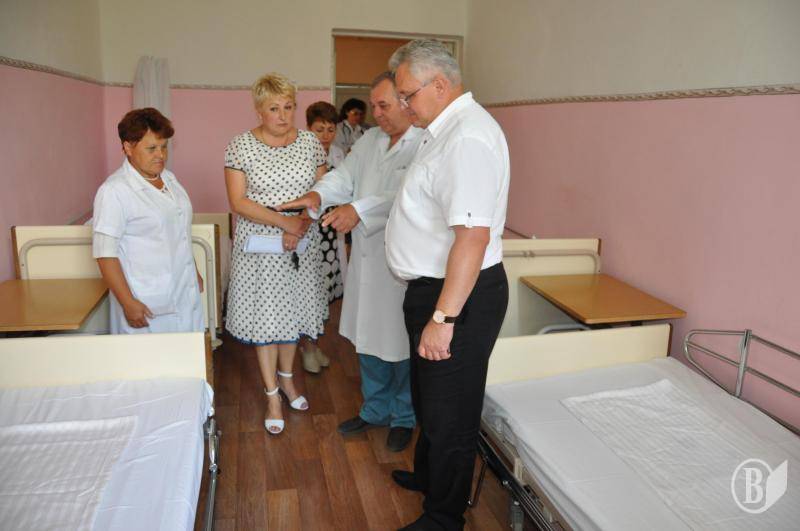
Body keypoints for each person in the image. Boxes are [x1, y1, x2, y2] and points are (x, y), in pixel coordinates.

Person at [385, 40, 510, 531]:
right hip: (435, 289)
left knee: (451, 413)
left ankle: (443, 517)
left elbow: (473, 237)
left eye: (407, 95)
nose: (403, 105)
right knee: (429, 400)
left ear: (439, 84)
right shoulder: (441, 130)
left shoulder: (467, 138)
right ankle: (430, 479)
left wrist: (443, 318)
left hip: (459, 296)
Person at [280, 72, 423, 452]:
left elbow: (406, 195)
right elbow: (343, 177)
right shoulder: (371, 140)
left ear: (406, 102)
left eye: (383, 105)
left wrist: (358, 210)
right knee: (367, 339)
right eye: (373, 106)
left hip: (403, 263)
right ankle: (375, 409)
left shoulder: (424, 142)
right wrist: (317, 195)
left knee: (401, 344)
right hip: (366, 260)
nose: (377, 113)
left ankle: (404, 415)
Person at [224, 73, 328, 435]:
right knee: (267, 321)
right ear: (258, 110)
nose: (283, 116)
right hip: (261, 247)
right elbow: (238, 201)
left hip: (302, 241)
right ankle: (271, 395)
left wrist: (302, 223)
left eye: (288, 107)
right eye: (274, 109)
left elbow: (324, 189)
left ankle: (288, 380)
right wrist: (285, 224)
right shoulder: (240, 146)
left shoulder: (311, 143)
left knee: (291, 318)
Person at [93, 108, 204, 334]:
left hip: (184, 290)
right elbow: (105, 254)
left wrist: (193, 272)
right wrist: (127, 302)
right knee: (149, 357)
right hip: (146, 301)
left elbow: (180, 232)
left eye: (164, 147)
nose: (160, 155)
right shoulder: (114, 191)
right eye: (151, 148)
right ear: (128, 148)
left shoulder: (169, 179)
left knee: (186, 354)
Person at [296, 101, 343, 374]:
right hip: (308, 231)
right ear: (308, 128)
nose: (325, 135)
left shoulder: (338, 154)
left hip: (331, 232)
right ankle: (306, 348)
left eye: (330, 129)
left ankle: (314, 344)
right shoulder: (300, 153)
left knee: (325, 292)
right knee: (308, 292)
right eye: (319, 129)